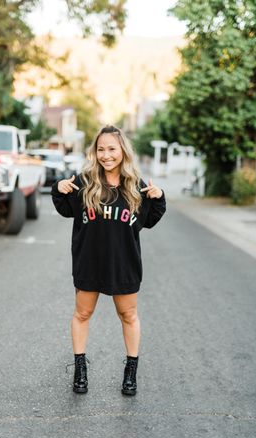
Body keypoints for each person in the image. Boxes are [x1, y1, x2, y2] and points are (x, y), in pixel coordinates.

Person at [51, 125, 166, 396]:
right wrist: (58, 188)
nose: (106, 155)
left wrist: (159, 198)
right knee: (82, 314)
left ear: (123, 151)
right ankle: (80, 369)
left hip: (123, 264)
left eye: (112, 149)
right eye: (101, 149)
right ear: (95, 152)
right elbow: (65, 209)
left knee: (128, 315)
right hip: (88, 262)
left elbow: (150, 220)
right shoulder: (83, 182)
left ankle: (130, 372)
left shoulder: (136, 186)